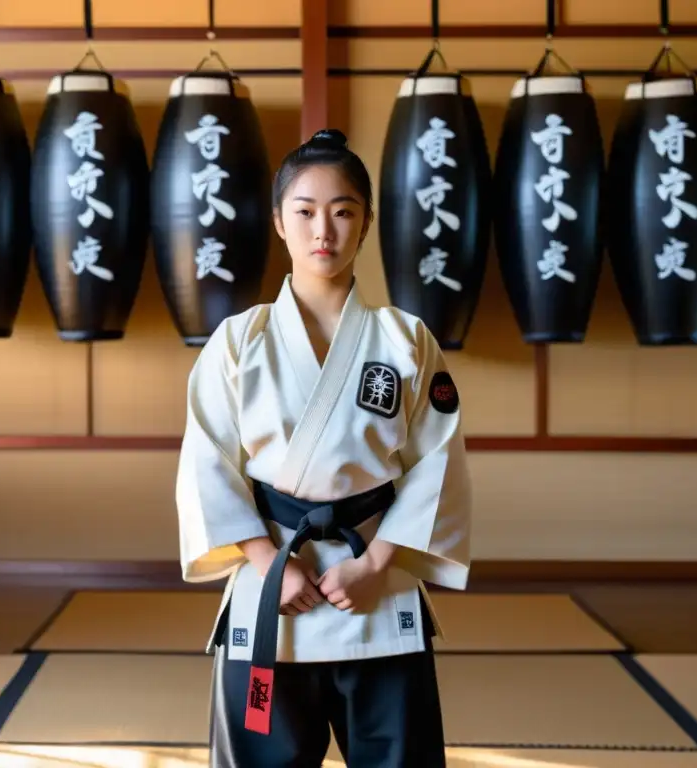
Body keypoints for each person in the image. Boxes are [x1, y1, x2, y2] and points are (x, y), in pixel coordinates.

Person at [175, 128, 472, 767]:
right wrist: (262, 560)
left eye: (343, 212)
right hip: (272, 587)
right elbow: (207, 463)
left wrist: (372, 568)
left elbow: (438, 462)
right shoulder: (237, 341)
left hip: (376, 586)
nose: (323, 231)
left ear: (365, 224)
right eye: (305, 212)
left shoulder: (406, 340)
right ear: (280, 222)